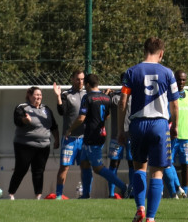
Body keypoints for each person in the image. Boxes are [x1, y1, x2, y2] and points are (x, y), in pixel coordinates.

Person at [117, 37, 180, 222]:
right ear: (161, 53)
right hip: (159, 125)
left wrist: (121, 129)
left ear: (144, 50)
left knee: (139, 168)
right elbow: (175, 104)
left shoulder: (132, 72)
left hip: (138, 124)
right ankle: (151, 217)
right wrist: (174, 125)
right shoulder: (168, 73)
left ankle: (140, 208)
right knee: (157, 172)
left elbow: (122, 102)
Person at [64, 74, 128, 198]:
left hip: (92, 135)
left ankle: (124, 187)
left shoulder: (87, 97)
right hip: (98, 134)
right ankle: (86, 195)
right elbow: (107, 116)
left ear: (87, 84)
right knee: (84, 163)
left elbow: (81, 118)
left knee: (98, 168)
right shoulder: (106, 97)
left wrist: (70, 130)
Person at [9, 87, 59, 199]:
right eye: (36, 95)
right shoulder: (22, 107)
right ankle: (11, 194)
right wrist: (25, 120)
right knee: (21, 169)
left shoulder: (46, 109)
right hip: (24, 145)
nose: (38, 97)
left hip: (43, 146)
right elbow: (17, 120)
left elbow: (54, 126)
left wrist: (57, 139)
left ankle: (38, 196)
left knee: (39, 171)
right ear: (29, 96)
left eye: (40, 95)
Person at [47, 70, 88, 200]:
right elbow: (61, 111)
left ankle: (86, 194)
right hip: (69, 139)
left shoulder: (88, 94)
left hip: (84, 139)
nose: (80, 82)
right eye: (77, 79)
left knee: (86, 167)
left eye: (82, 79)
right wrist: (58, 96)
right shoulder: (66, 95)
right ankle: (59, 195)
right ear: (72, 79)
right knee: (64, 167)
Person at [172, 70, 188, 197]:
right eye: (178, 79)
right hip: (172, 135)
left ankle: (185, 192)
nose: (181, 82)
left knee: (185, 165)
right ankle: (176, 188)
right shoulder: (169, 95)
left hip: (186, 136)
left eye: (183, 80)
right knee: (167, 164)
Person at [107, 84, 133, 199]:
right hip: (116, 136)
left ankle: (132, 192)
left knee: (132, 163)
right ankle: (111, 194)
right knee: (114, 163)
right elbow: (105, 113)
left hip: (131, 136)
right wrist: (106, 95)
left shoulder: (136, 96)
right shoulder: (114, 97)